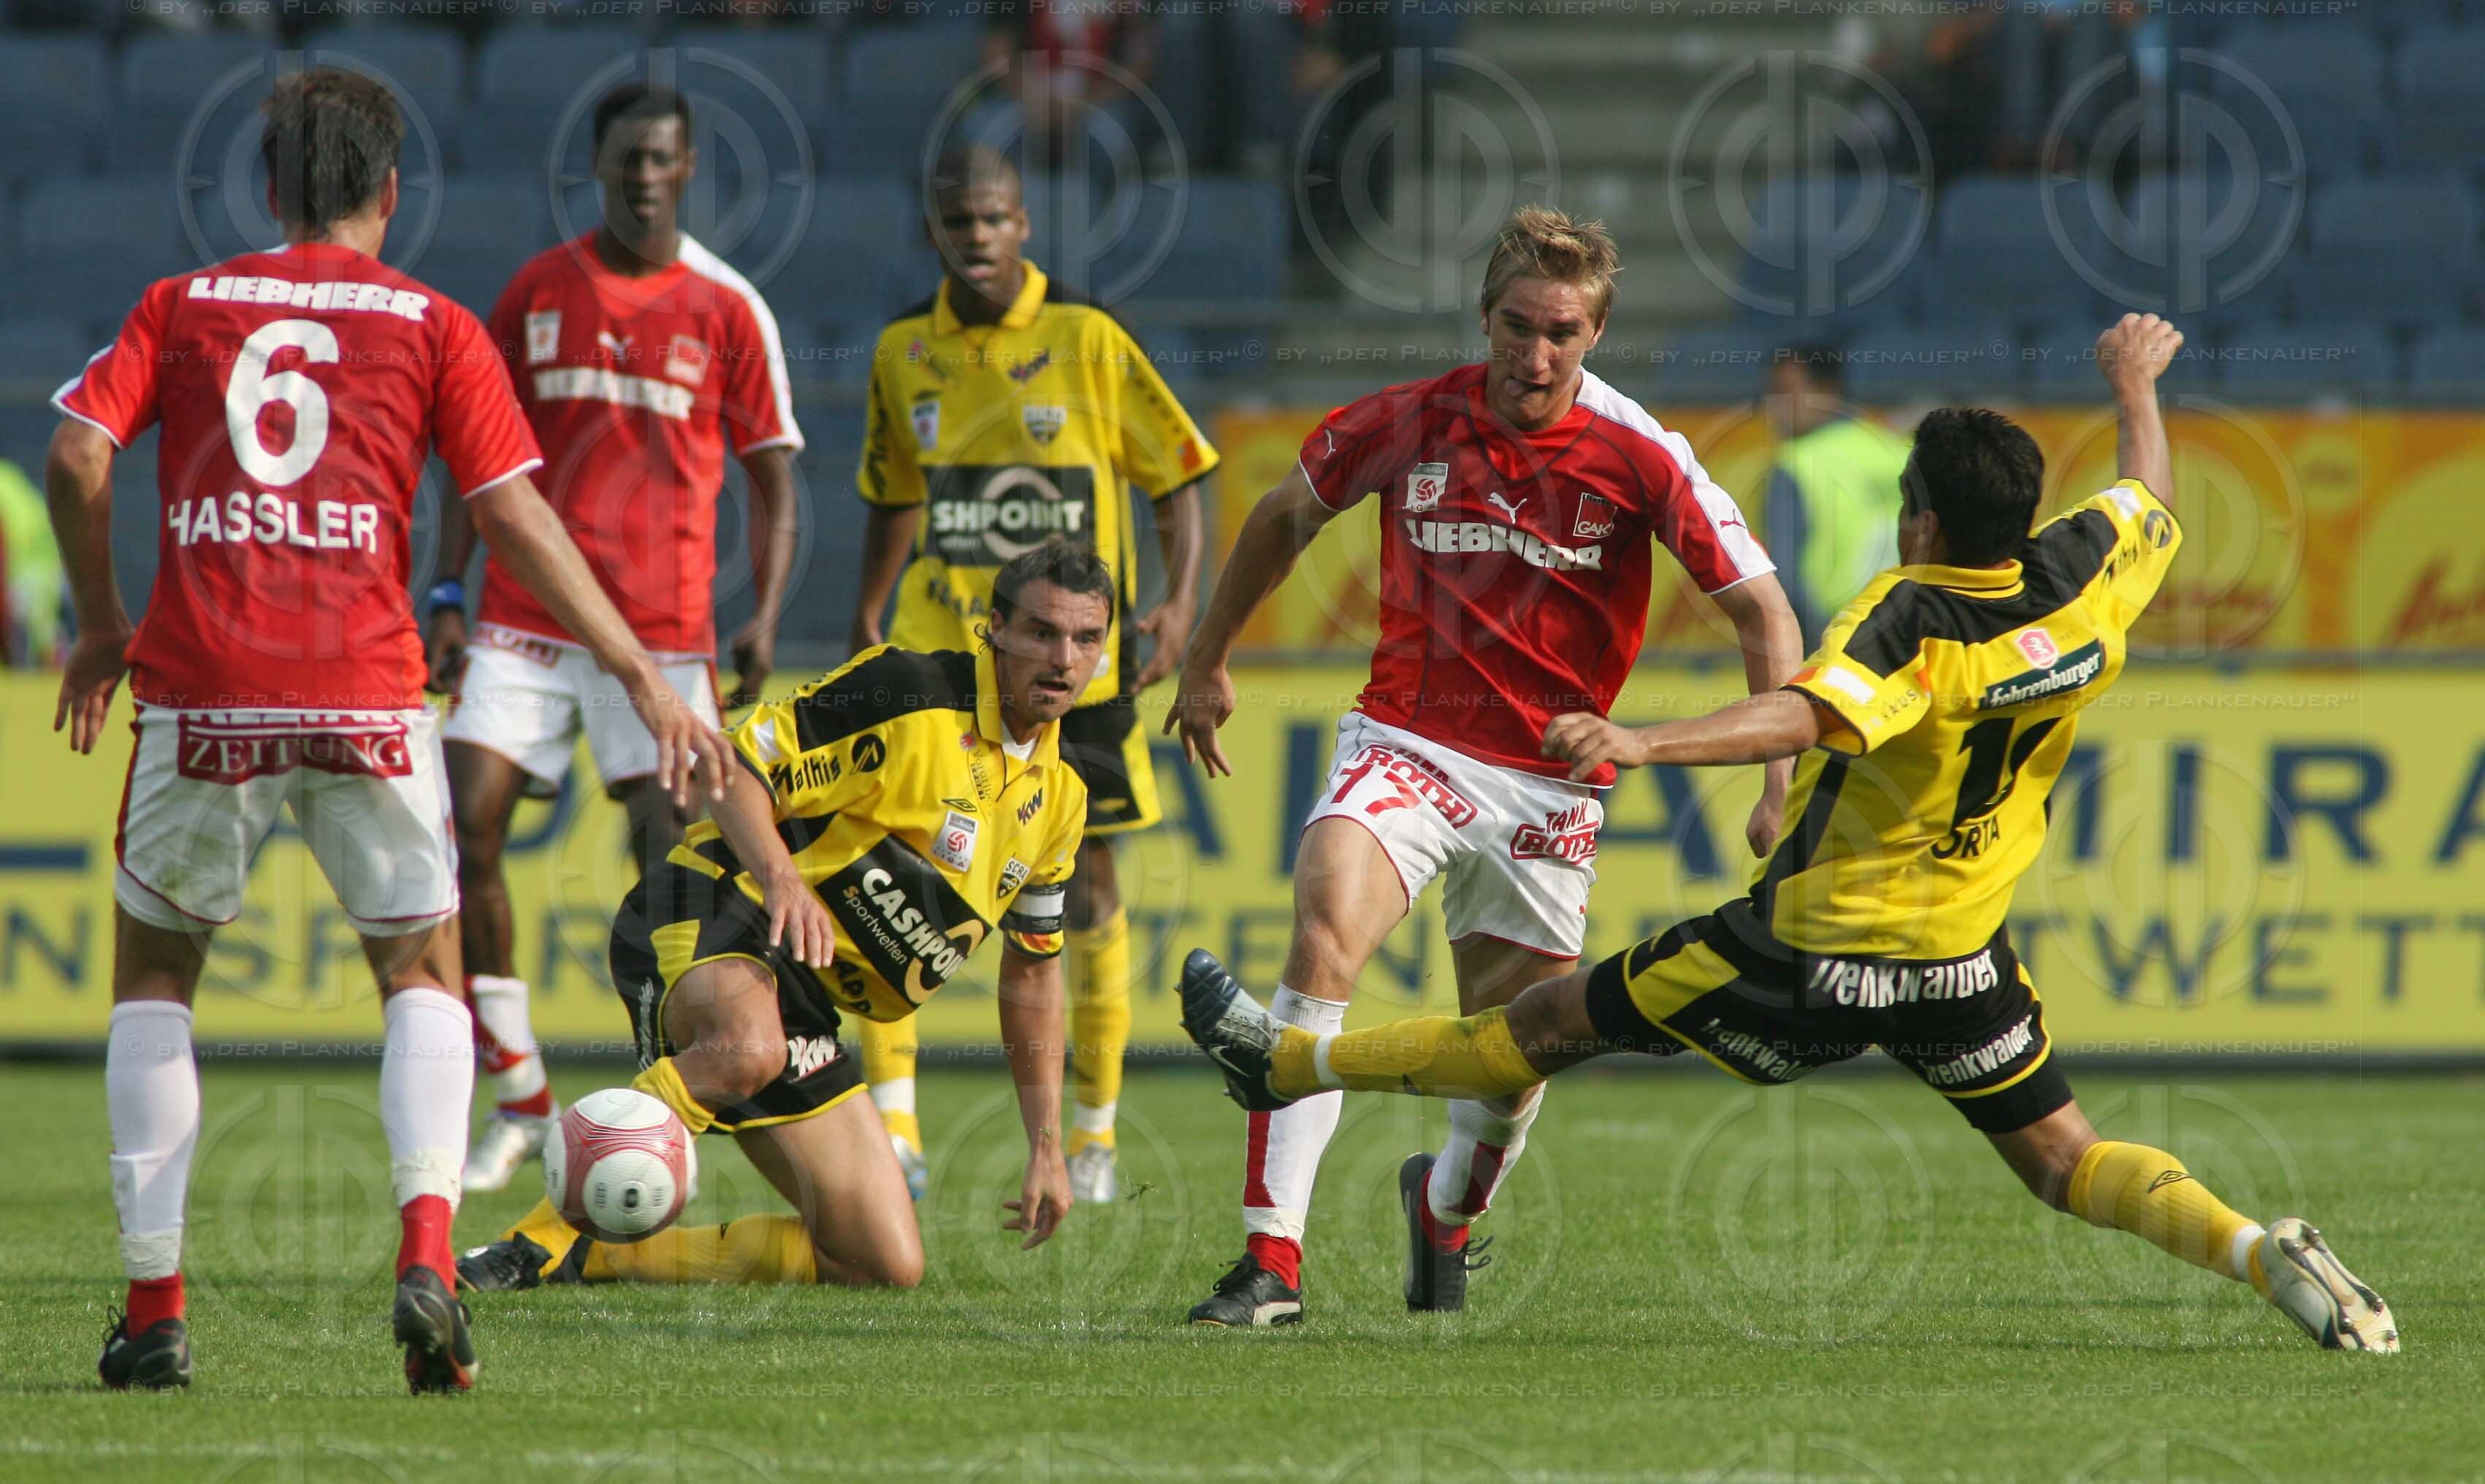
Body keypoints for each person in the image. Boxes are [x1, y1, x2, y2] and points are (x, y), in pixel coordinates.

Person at [1177, 315, 2400, 1354]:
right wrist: (2136, 387)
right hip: (1962, 960)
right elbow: (2148, 495)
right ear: (2026, 515)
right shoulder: (2088, 583)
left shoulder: (1906, 620)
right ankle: (2252, 1249)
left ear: (1915, 521)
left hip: (1808, 948)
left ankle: (1281, 1060)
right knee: (2063, 1160)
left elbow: (1801, 710)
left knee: (1541, 1027)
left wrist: (1644, 742)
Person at [47, 69, 726, 1393]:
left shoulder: (181, 307)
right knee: (420, 971)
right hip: (365, 688)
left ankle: (156, 1310)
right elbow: (520, 516)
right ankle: (426, 1252)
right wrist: (640, 667)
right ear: (390, 192)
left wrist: (99, 622)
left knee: (156, 981)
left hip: (204, 689)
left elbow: (75, 456)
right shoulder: (434, 324)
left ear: (269, 188)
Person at [1163, 206, 1803, 1326]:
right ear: (1485, 318)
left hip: (1548, 789)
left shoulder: (1642, 455)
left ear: (1595, 333)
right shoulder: (1411, 419)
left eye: (1560, 332)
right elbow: (1280, 515)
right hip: (1408, 742)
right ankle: (1271, 1268)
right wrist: (1207, 659)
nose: (1535, 355)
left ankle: (1443, 1215)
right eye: (1517, 327)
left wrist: (1774, 787)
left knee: (1510, 1062)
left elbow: (1763, 611)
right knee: (1322, 930)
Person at [457, 541, 1107, 1293]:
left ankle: (600, 1255)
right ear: (993, 628)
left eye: (1085, 639)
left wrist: (1048, 1145)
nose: (1062, 657)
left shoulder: (1060, 803)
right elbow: (730, 770)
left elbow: (1034, 970)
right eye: (1041, 632)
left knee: (882, 1262)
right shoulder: (906, 690)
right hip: (708, 902)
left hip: (805, 994)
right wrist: (784, 881)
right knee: (746, 1047)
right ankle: (529, 1242)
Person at [424, 83, 804, 1196]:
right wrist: (445, 586)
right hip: (524, 619)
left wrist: (765, 617)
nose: (644, 174)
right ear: (598, 165)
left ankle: (658, 1098)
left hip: (667, 635)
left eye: (662, 159)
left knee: (673, 873)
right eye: (627, 157)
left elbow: (776, 476)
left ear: (687, 171)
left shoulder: (728, 309)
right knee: (466, 828)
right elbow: (476, 462)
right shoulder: (537, 292)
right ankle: (520, 1096)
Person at [850, 145, 1218, 1205]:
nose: (978, 236)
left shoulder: (1087, 342)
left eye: (997, 218)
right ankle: (895, 1129)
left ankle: (1093, 1137)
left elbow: (1181, 472)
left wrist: (1179, 603)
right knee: (893, 868)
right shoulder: (900, 352)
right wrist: (869, 615)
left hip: (1072, 671)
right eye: (959, 220)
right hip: (945, 661)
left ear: (1022, 225)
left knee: (1086, 891)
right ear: (935, 229)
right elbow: (891, 497)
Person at [1759, 345, 1912, 648]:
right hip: (1912, 633)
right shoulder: (1898, 449)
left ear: (1828, 392)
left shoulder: (1796, 462)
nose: (1773, 407)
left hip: (1836, 640)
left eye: (1785, 392)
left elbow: (1782, 580)